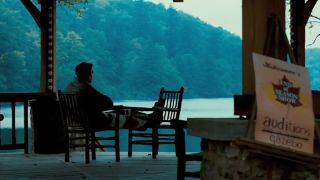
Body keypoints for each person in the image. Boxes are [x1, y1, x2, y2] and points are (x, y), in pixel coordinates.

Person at [65, 62, 161, 131]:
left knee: (124, 111)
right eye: (91, 72)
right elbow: (108, 103)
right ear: (87, 74)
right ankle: (152, 120)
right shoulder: (85, 89)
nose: (92, 74)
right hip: (95, 121)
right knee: (129, 118)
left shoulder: (71, 87)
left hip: (83, 120)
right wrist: (92, 88)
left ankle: (151, 117)